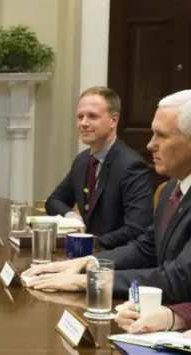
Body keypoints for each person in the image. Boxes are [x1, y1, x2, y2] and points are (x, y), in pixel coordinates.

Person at [22, 89, 191, 304]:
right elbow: (147, 247)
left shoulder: (132, 165)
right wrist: (86, 262)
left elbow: (180, 279)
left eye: (162, 135)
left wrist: (87, 280)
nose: (150, 145)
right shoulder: (172, 188)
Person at [45, 86, 153, 250]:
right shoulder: (82, 161)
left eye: (92, 116)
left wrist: (90, 242)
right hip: (85, 253)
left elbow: (136, 229)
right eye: (80, 116)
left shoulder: (132, 166)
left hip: (115, 260)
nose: (83, 123)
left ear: (114, 120)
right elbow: (54, 201)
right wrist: (72, 216)